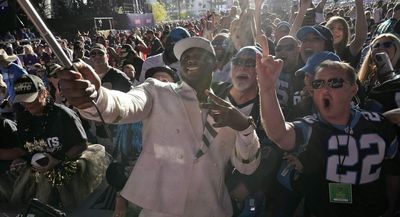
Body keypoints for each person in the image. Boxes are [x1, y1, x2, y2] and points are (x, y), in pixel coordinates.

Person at [57, 36, 261, 217]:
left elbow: (247, 166)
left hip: (211, 209)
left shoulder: (229, 110)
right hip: (159, 210)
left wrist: (245, 128)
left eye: (198, 54)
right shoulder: (157, 91)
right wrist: (97, 97)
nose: (189, 59)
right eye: (184, 57)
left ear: (215, 64)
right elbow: (125, 105)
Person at [256, 35, 400, 217]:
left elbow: (393, 173)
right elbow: (279, 134)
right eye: (318, 83)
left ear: (353, 88)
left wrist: (392, 208)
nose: (325, 89)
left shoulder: (380, 125)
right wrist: (267, 89)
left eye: (335, 82)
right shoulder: (311, 126)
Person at [10, 74, 109, 209]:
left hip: (67, 168)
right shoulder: (23, 119)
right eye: (23, 101)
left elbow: (81, 144)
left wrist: (58, 160)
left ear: (44, 93)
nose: (28, 105)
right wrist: (22, 160)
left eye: (31, 100)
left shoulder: (63, 114)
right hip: (39, 169)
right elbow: (26, 148)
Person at [325, 0, 367, 68]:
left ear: (345, 34)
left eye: (340, 29)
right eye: (332, 28)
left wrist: (359, 4)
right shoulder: (319, 51)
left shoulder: (347, 52)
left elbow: (360, 38)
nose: (335, 31)